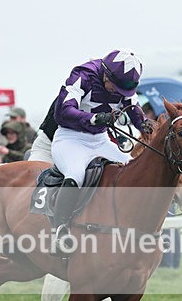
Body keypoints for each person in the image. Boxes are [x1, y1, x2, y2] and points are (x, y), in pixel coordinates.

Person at [50, 48, 151, 253]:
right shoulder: (83, 75)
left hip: (100, 140)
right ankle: (59, 231)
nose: (117, 93)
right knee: (76, 175)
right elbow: (63, 110)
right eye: (115, 87)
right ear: (106, 74)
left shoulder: (123, 83)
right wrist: (93, 118)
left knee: (131, 169)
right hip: (70, 139)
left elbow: (134, 110)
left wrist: (146, 125)